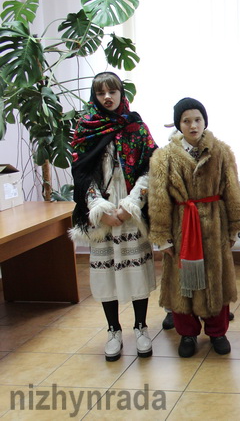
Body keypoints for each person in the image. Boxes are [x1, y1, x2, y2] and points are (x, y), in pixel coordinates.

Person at [70, 71, 157, 361]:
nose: (107, 98)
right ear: (94, 98)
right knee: (107, 272)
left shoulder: (136, 126)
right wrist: (99, 209)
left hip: (131, 209)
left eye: (112, 92)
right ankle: (113, 330)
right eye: (101, 93)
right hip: (102, 212)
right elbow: (80, 175)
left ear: (122, 94)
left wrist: (131, 203)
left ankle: (141, 327)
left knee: (136, 271)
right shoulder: (85, 128)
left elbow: (150, 168)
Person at [148, 97, 240, 357]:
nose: (193, 125)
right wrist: (162, 235)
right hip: (182, 226)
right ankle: (187, 334)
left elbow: (232, 189)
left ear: (205, 121)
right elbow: (158, 198)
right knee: (183, 282)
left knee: (217, 277)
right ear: (179, 124)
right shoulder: (164, 157)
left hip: (215, 224)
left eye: (197, 119)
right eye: (186, 120)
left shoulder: (221, 151)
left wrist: (234, 225)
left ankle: (217, 332)